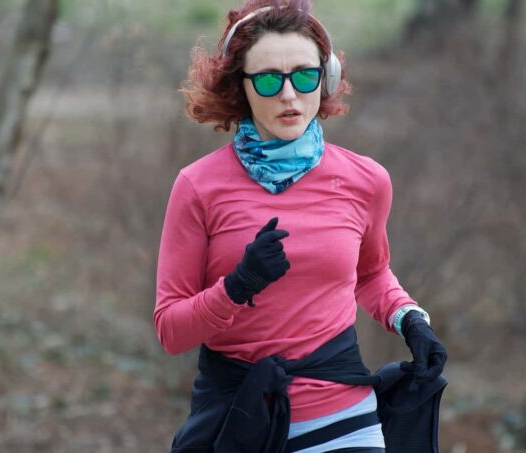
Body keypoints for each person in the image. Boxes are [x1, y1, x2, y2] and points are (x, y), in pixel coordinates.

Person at [154, 0, 447, 451]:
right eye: (269, 80)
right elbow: (171, 331)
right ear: (239, 86)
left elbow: (370, 273)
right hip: (238, 419)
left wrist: (410, 319)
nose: (289, 95)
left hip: (344, 414)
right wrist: (237, 286)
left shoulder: (366, 179)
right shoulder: (198, 186)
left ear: (325, 79)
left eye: (305, 76)